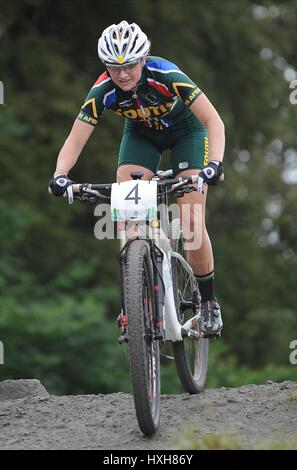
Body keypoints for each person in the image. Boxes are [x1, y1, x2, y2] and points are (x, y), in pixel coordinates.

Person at [49, 20, 225, 337]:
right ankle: (134, 298)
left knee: (191, 221)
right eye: (114, 68)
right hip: (142, 136)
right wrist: (61, 175)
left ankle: (209, 304)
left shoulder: (167, 75)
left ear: (143, 59)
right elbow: (76, 138)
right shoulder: (103, 89)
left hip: (188, 133)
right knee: (129, 213)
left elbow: (213, 119)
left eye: (130, 65)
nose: (123, 75)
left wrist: (214, 164)